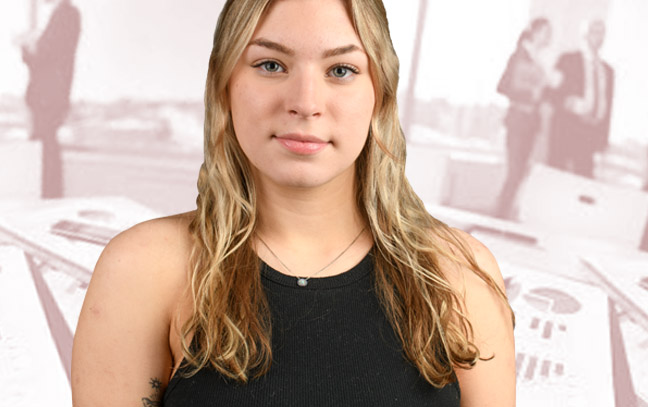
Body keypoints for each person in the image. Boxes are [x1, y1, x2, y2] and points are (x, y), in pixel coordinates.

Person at [71, 0, 515, 406]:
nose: (305, 103)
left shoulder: (456, 274)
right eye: (270, 65)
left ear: (380, 94)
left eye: (341, 70)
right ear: (225, 85)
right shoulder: (145, 269)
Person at [21, 0, 81, 199]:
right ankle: (48, 197)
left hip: (48, 96)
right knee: (46, 149)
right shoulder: (65, 15)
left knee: (45, 151)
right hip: (49, 95)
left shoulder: (65, 14)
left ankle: (48, 198)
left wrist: (27, 44)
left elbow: (44, 56)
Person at [494, 17, 552, 220]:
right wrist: (529, 93)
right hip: (518, 119)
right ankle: (499, 216)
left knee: (521, 172)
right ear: (535, 32)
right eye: (546, 32)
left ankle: (504, 214)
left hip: (532, 122)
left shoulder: (539, 61)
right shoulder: (519, 55)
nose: (549, 36)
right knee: (515, 171)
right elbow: (502, 86)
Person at [546, 19, 615, 179]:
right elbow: (550, 93)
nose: (599, 37)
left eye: (602, 33)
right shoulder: (568, 60)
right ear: (585, 35)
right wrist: (566, 102)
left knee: (583, 181)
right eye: (595, 32)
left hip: (590, 134)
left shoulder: (608, 71)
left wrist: (603, 139)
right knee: (557, 177)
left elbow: (608, 107)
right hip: (566, 129)